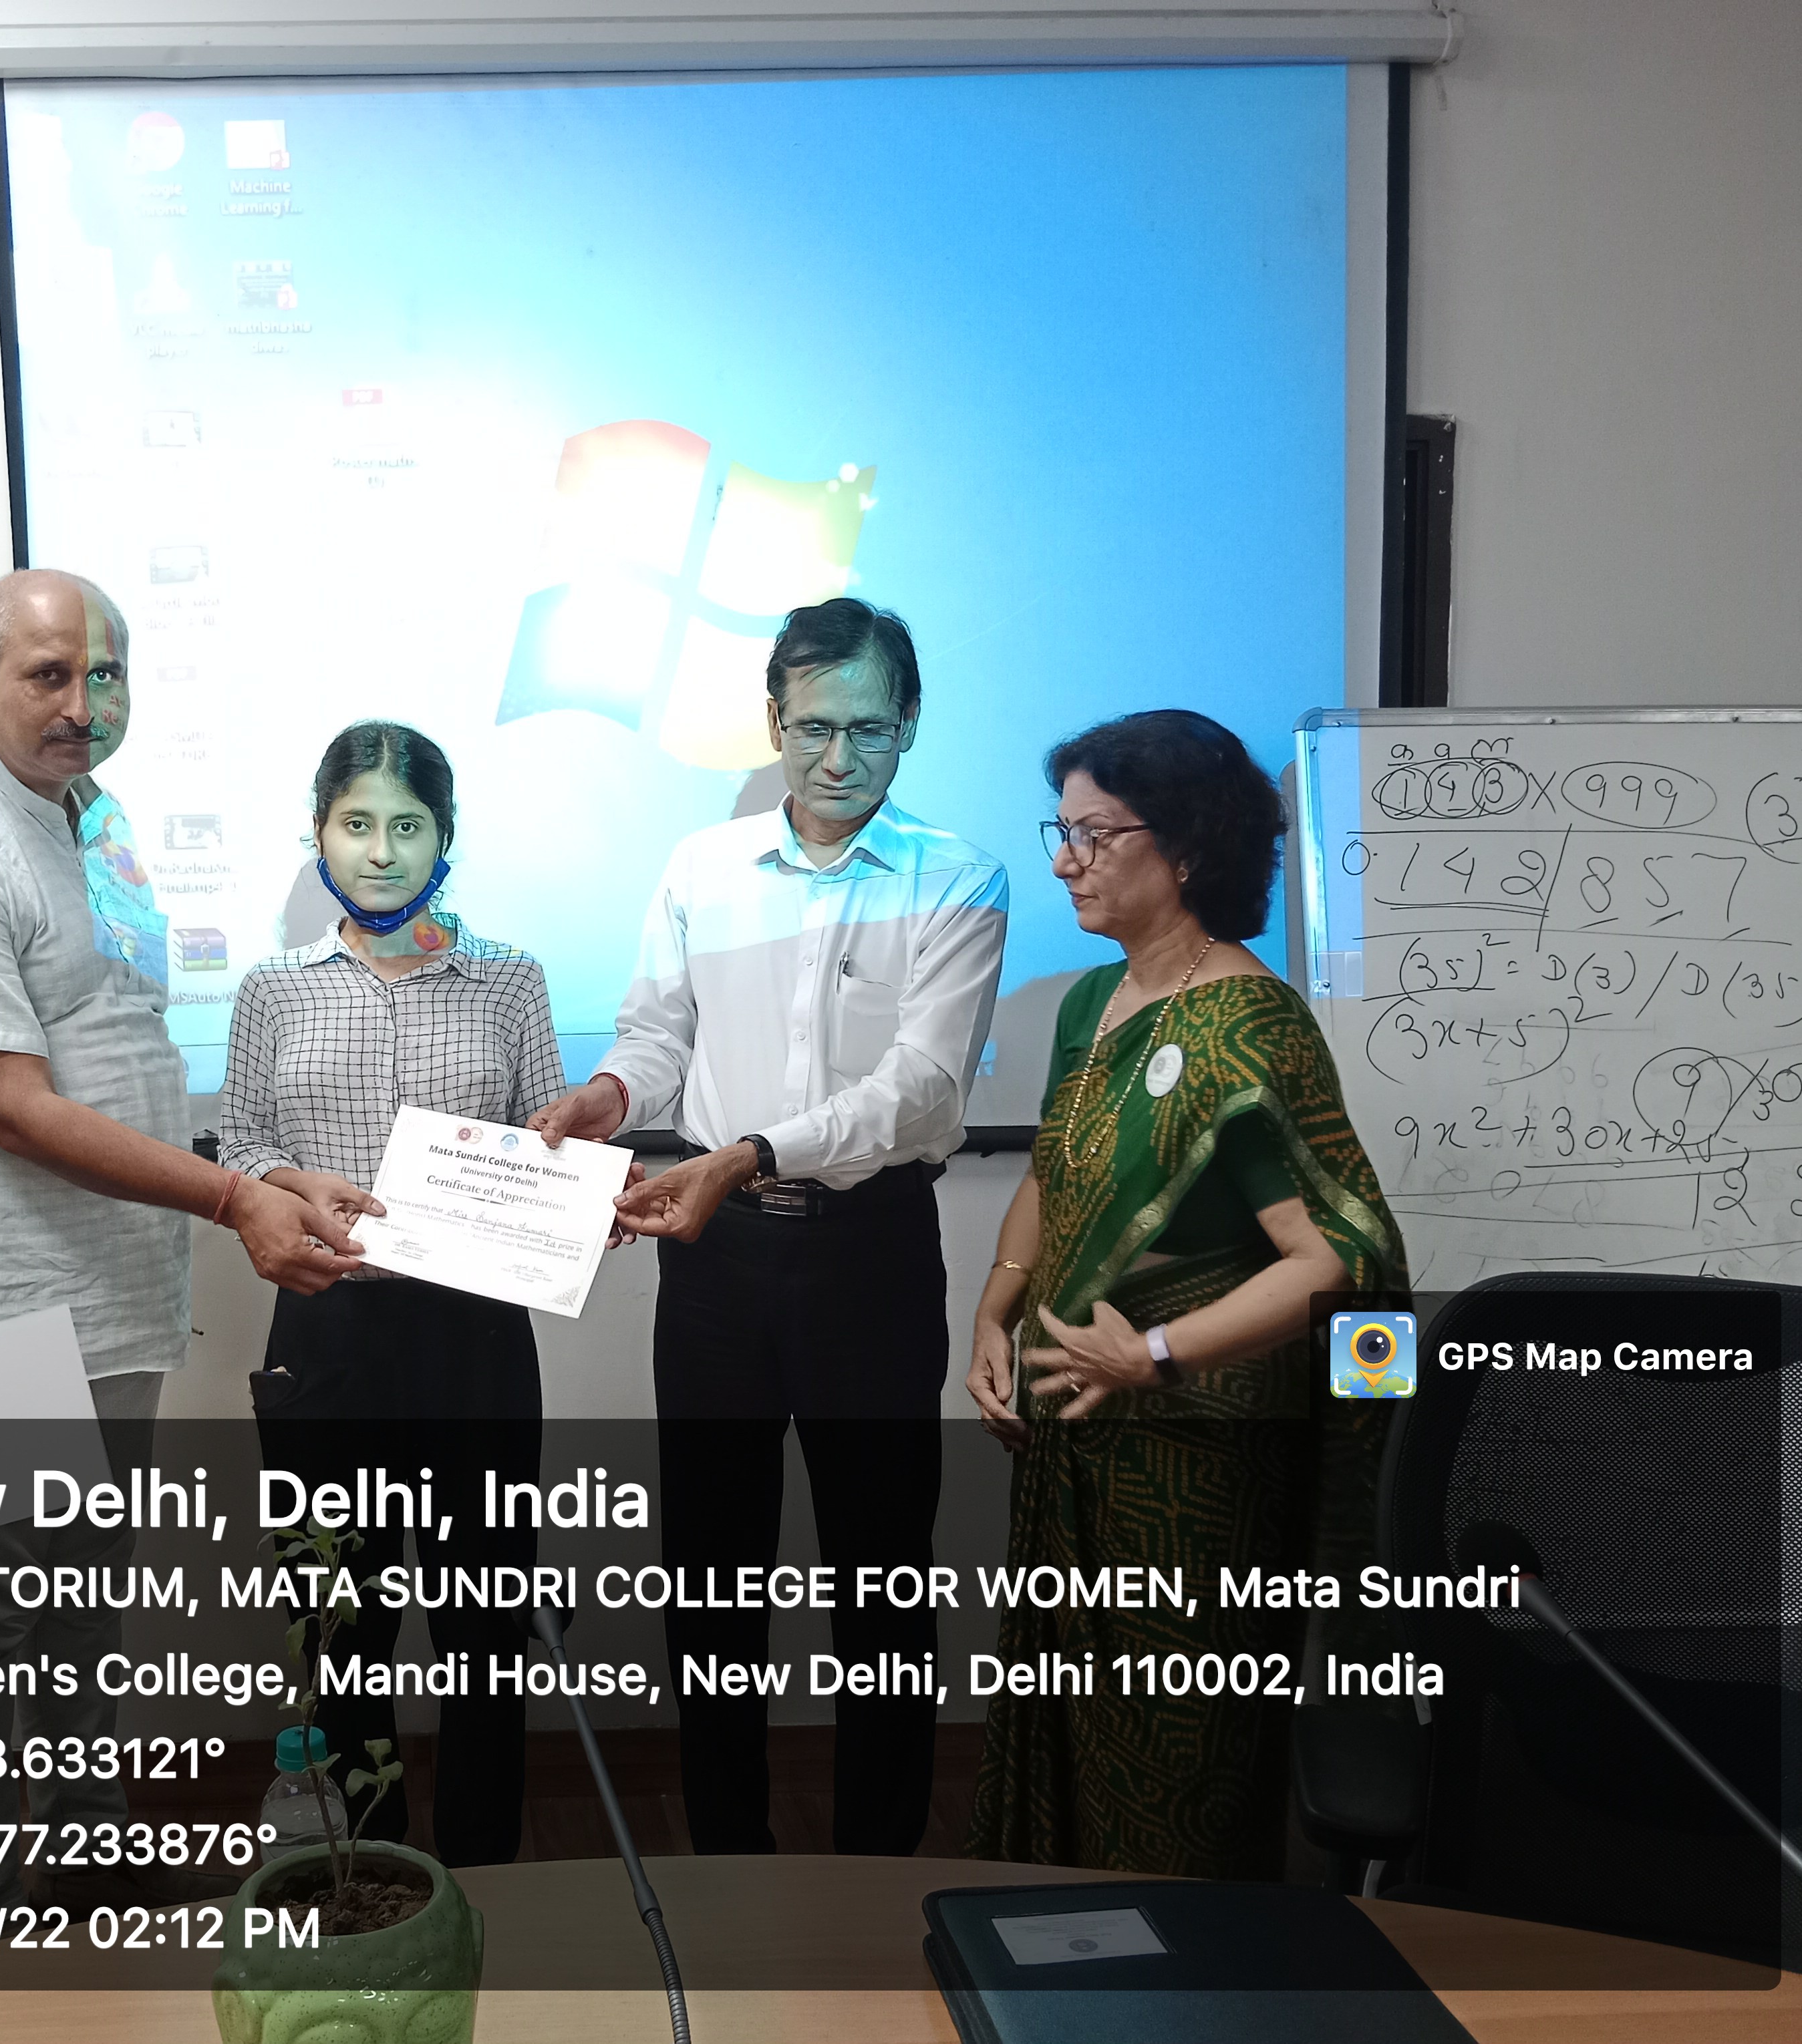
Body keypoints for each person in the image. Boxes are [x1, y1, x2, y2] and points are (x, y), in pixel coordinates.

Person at [0, 568, 371, 1910]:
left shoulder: (92, 811)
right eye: (48, 676)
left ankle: (88, 1899)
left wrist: (251, 1170)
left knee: (82, 1625)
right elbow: (13, 1109)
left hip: (112, 1301)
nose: (84, 706)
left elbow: (117, 1043)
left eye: (108, 675)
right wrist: (233, 1203)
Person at [532, 597, 1008, 1855]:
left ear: (910, 722)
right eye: (812, 729)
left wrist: (747, 1153)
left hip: (870, 1254)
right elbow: (657, 1037)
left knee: (882, 1575)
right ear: (773, 722)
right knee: (712, 1573)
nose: (838, 758)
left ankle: (878, 1871)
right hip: (719, 1266)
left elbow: (922, 1091)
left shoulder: (957, 876)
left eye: (868, 730)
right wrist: (605, 1098)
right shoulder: (703, 868)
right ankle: (725, 1866)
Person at [963, 709, 1406, 1880]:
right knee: (1070, 1728)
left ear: (1191, 848)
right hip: (1077, 1438)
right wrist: (995, 1313)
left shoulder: (1249, 1022)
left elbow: (1337, 1257)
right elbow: (1053, 1175)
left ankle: (1192, 1964)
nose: (1066, 862)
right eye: (1061, 833)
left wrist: (1151, 1356)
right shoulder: (1088, 1003)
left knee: (1180, 1759)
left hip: (1197, 1461)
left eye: (1095, 835)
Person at [221, 721, 568, 1866]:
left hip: (477, 1339)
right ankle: (369, 1877)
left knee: (485, 1630)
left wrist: (571, 1198)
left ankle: (486, 1874)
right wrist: (286, 1185)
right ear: (318, 834)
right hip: (328, 1332)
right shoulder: (273, 989)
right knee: (342, 1628)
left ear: (445, 837)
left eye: (408, 826)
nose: (381, 852)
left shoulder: (511, 979)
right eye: (357, 824)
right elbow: (245, 1143)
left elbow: (549, 1140)